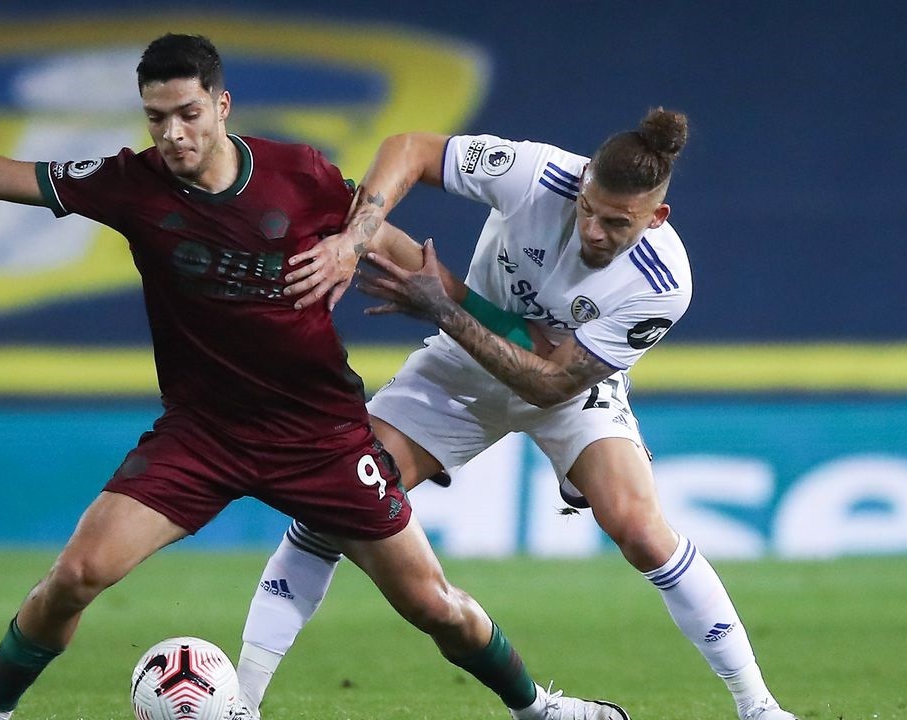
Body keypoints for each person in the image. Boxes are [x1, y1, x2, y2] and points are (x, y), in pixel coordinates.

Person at [0, 34, 631, 720]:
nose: (173, 135)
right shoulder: (131, 185)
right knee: (76, 575)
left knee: (433, 605)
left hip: (322, 437)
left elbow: (404, 254)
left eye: (188, 114)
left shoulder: (301, 176)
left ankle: (539, 708)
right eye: (157, 118)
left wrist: (515, 333)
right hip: (203, 435)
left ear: (222, 106)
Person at [237, 111, 800, 720]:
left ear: (656, 217)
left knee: (639, 529)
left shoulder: (662, 284)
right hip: (459, 368)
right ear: (583, 181)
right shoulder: (536, 174)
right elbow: (411, 146)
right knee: (331, 506)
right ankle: (242, 701)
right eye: (588, 209)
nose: (594, 231)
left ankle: (759, 707)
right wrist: (357, 238)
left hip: (568, 387)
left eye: (618, 223)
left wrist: (447, 307)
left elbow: (551, 384)